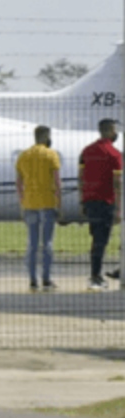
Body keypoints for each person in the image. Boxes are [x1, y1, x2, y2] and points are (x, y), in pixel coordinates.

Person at [15, 125, 61, 291]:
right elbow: (57, 181)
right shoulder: (51, 154)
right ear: (46, 136)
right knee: (47, 242)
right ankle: (46, 279)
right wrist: (59, 202)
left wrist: (22, 201)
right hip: (47, 202)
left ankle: (33, 279)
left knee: (32, 243)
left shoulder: (24, 156)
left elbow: (19, 183)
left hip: (29, 204)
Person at [79, 118, 122, 291]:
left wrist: (82, 200)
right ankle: (96, 276)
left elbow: (80, 178)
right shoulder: (114, 153)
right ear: (111, 131)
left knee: (96, 239)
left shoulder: (86, 151)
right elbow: (117, 182)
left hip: (90, 201)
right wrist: (119, 208)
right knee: (101, 241)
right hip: (106, 202)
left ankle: (95, 273)